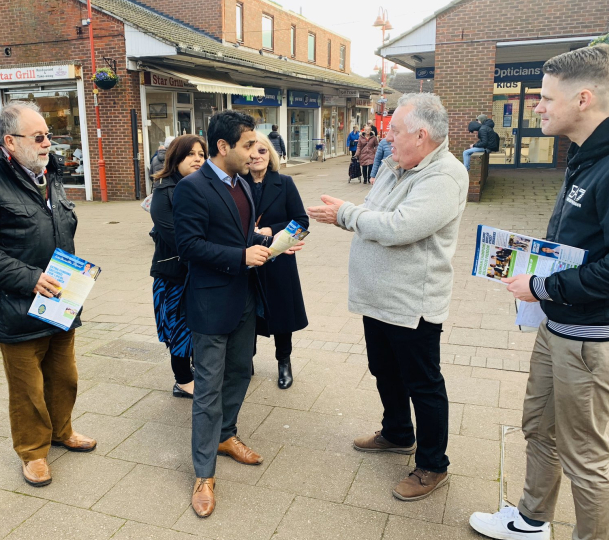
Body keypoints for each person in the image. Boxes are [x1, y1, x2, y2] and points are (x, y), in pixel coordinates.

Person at [469, 45, 609, 540]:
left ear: (582, 99)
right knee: (539, 427)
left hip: (595, 339)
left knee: (584, 458)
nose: (536, 107)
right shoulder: (589, 153)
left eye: (545, 98)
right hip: (561, 323)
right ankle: (531, 521)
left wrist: (541, 285)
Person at [307, 93, 468, 502]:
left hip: (412, 303)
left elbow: (399, 227)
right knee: (384, 369)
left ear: (421, 134)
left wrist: (346, 214)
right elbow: (374, 214)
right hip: (379, 297)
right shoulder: (396, 166)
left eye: (394, 130)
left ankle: (433, 465)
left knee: (423, 384)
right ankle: (397, 432)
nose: (387, 137)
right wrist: (351, 215)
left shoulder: (444, 176)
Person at [0, 101, 96, 488]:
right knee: (27, 389)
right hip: (15, 305)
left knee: (64, 377)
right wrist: (29, 278)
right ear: (10, 141)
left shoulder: (49, 173)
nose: (48, 143)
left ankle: (62, 431)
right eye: (39, 137)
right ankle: (33, 451)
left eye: (48, 135)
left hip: (60, 299)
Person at [173, 110, 303, 518]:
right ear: (223, 146)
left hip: (246, 298)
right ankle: (203, 473)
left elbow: (243, 234)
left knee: (241, 373)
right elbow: (189, 246)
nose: (254, 152)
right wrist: (240, 255)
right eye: (247, 145)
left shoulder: (243, 183)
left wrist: (273, 244)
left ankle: (226, 435)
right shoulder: (192, 187)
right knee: (207, 388)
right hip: (210, 304)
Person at [248, 131, 309, 390]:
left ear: (270, 154)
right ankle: (245, 361)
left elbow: (302, 222)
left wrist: (270, 230)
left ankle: (284, 362)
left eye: (262, 151)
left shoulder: (284, 183)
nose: (256, 156)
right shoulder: (236, 183)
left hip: (278, 260)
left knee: (282, 316)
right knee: (247, 314)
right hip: (247, 260)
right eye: (250, 151)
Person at [149, 134, 208, 398]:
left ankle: (193, 372)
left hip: (197, 272)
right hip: (173, 275)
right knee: (179, 328)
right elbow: (178, 240)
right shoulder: (164, 192)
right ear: (177, 157)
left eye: (201, 154)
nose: (197, 159)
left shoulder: (201, 188)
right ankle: (183, 380)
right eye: (191, 154)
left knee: (194, 326)